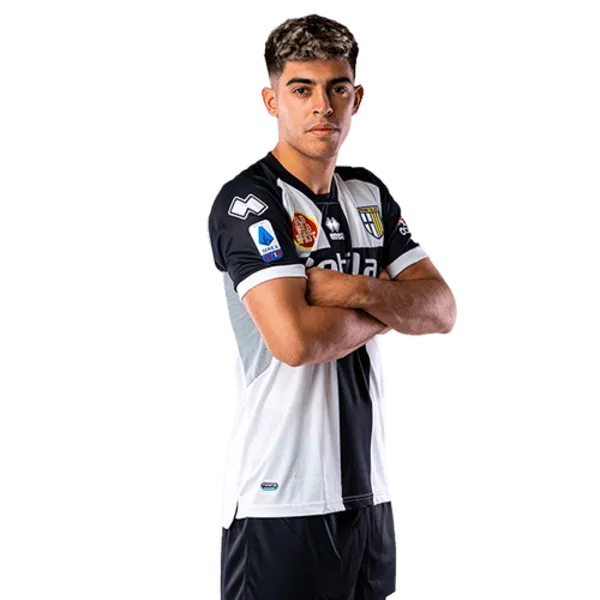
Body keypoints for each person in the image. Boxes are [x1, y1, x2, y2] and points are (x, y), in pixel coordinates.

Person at [207, 13, 457, 600]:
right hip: (280, 499)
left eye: (336, 88)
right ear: (272, 100)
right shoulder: (250, 201)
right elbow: (295, 342)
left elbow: (441, 311)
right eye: (302, 89)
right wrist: (392, 307)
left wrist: (354, 289)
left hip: (369, 497)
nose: (322, 105)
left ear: (356, 98)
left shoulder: (368, 194)